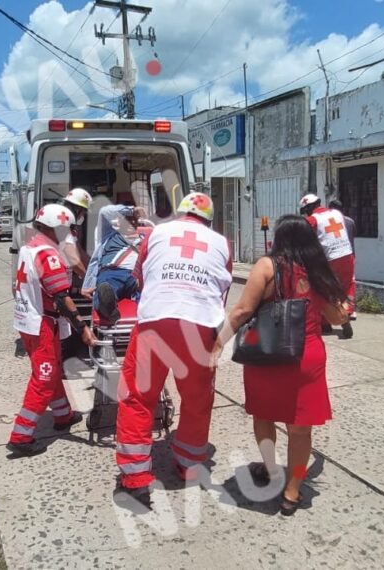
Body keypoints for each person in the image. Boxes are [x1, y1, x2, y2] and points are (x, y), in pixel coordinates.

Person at [213, 215, 350, 515]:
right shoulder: (317, 271)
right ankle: (292, 491)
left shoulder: (266, 266)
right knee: (300, 430)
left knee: (263, 416)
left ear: (279, 239)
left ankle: (271, 469)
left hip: (266, 354)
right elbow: (338, 317)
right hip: (306, 356)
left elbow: (242, 311)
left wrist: (217, 345)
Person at [114, 192, 233, 508]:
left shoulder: (156, 233)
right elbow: (221, 290)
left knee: (137, 397)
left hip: (155, 322)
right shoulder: (222, 243)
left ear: (180, 214)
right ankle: (189, 465)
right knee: (197, 399)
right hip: (199, 326)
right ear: (209, 219)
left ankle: (135, 479)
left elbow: (141, 278)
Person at [8, 203, 97, 457]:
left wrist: (77, 290)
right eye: (66, 229)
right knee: (44, 378)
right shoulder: (48, 254)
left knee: (53, 368)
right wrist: (83, 328)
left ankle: (62, 415)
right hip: (42, 323)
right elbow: (60, 297)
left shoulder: (30, 246)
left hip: (28, 320)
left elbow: (44, 286)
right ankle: (21, 436)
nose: (69, 234)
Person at [81, 204, 150, 325]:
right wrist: (131, 210)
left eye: (134, 220)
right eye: (127, 219)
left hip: (137, 275)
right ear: (119, 221)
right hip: (112, 272)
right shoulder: (109, 234)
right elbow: (104, 211)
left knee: (148, 290)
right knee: (105, 288)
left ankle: (151, 313)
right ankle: (108, 309)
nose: (132, 222)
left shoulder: (146, 238)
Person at [299, 193, 356, 339]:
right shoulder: (337, 213)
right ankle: (347, 314)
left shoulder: (312, 220)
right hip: (347, 255)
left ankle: (326, 324)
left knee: (324, 290)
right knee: (346, 287)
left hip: (329, 259)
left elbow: (305, 240)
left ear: (308, 208)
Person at [60, 188, 93, 285]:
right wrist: (90, 279)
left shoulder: (70, 229)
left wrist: (95, 267)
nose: (83, 216)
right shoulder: (62, 227)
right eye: (83, 212)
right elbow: (74, 261)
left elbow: (79, 251)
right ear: (76, 209)